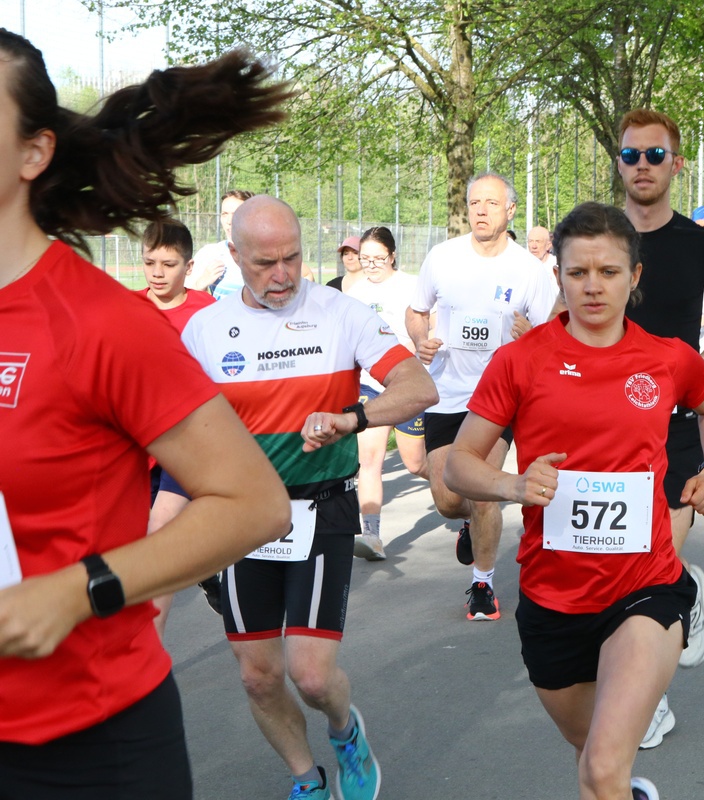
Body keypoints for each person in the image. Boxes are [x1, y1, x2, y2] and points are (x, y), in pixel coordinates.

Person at [0, 33, 292, 799]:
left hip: (84, 747)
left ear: (33, 153)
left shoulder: (97, 323)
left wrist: (78, 590)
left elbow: (254, 504)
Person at [443, 202, 704, 800]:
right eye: (578, 272)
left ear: (635, 277)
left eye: (609, 272)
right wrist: (512, 485)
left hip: (644, 585)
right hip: (552, 596)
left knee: (602, 766)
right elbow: (459, 462)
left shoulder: (666, 358)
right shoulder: (520, 361)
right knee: (592, 761)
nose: (593, 286)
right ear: (558, 276)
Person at [181, 196, 437, 800]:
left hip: (321, 507)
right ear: (234, 256)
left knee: (312, 677)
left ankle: (345, 732)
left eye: (292, 258)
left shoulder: (341, 313)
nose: (283, 275)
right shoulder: (205, 329)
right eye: (264, 263)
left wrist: (353, 418)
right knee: (258, 676)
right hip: (244, 516)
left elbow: (419, 386)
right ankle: (306, 780)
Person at [617, 108, 704, 748]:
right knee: (621, 568)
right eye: (630, 154)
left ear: (675, 163)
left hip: (673, 425)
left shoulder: (701, 243)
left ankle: (651, 699)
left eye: (654, 154)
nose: (641, 165)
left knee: (653, 567)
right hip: (606, 429)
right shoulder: (600, 235)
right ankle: (685, 592)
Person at [406, 172, 559, 621]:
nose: (481, 211)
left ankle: (482, 585)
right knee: (449, 498)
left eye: (491, 203)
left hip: (498, 397)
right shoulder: (443, 257)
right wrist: (421, 339)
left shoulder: (528, 270)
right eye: (475, 203)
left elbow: (554, 332)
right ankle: (468, 522)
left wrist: (532, 337)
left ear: (510, 210)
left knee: (485, 489)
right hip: (446, 392)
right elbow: (416, 311)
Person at [136, 218, 217, 636]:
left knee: (160, 537)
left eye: (168, 264)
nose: (157, 273)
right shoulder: (126, 308)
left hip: (188, 443)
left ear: (189, 266)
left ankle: (151, 654)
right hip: (137, 447)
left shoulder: (209, 312)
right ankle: (206, 567)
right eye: (149, 262)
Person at [345, 226, 425, 560]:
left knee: (415, 463)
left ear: (392, 256)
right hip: (370, 385)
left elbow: (429, 324)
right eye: (365, 259)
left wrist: (419, 344)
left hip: (406, 384)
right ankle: (372, 535)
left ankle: (461, 497)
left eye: (378, 259)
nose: (371, 265)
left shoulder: (411, 286)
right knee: (369, 461)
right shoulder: (354, 291)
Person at [188, 189, 255, 298]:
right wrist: (200, 284)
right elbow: (184, 298)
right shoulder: (209, 253)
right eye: (224, 214)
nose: (229, 221)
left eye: (236, 213)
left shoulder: (268, 255)